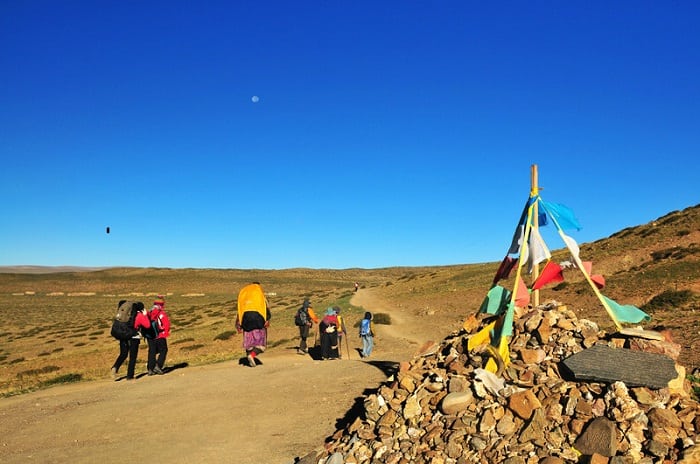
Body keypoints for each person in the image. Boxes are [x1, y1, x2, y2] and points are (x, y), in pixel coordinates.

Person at [111, 301, 151, 380]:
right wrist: (145, 315)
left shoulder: (125, 316)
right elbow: (147, 325)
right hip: (134, 337)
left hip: (123, 335)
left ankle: (115, 367)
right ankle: (130, 376)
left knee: (123, 354)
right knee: (132, 357)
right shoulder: (139, 315)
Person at [236, 282, 271, 367]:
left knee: (249, 343)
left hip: (245, 321)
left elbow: (240, 311)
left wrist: (238, 324)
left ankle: (249, 357)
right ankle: (252, 356)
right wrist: (268, 319)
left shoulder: (245, 296)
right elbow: (266, 308)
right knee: (261, 345)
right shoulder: (260, 296)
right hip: (259, 321)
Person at [147, 296, 171, 375]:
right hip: (160, 335)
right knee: (164, 350)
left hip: (150, 335)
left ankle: (150, 368)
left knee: (152, 351)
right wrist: (166, 331)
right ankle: (158, 366)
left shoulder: (149, 312)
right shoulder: (161, 313)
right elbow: (166, 324)